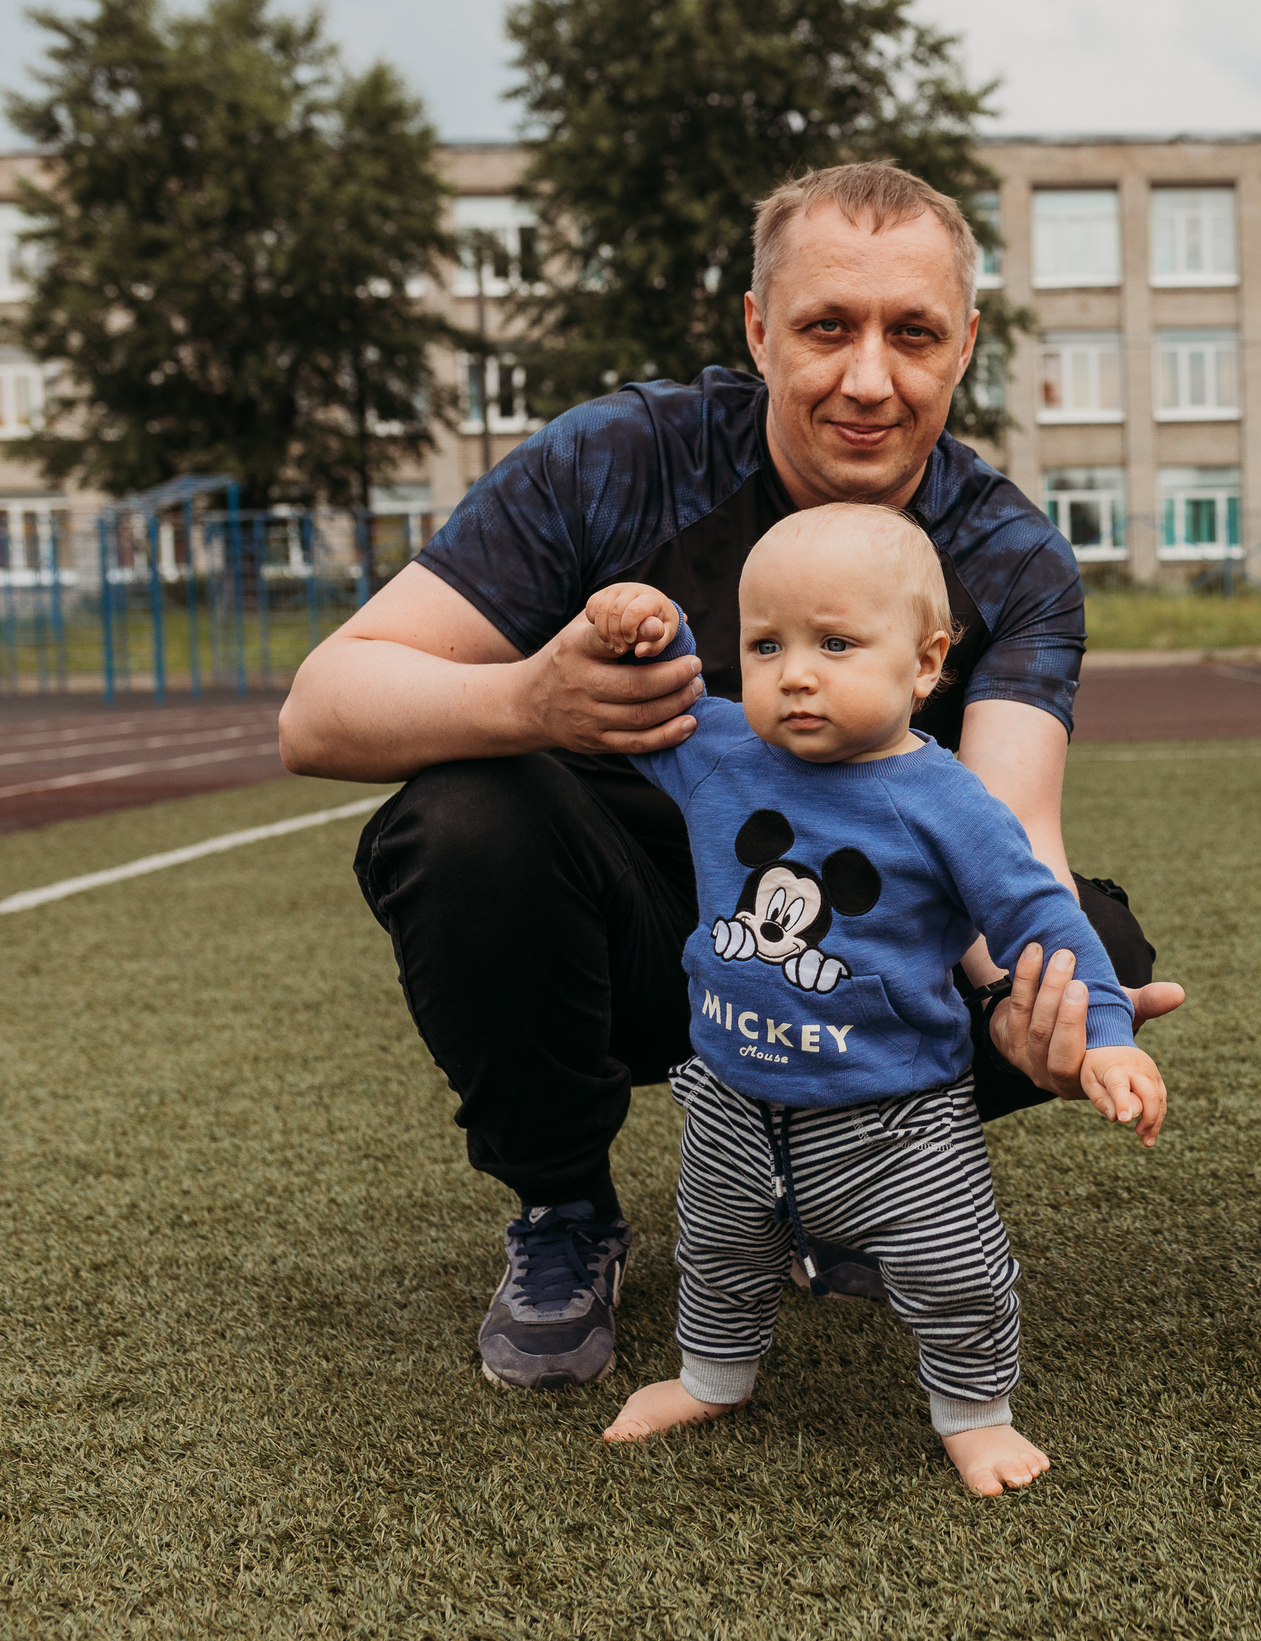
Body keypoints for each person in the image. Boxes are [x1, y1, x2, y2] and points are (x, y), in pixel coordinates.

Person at [277, 161, 1180, 1393]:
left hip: (845, 962)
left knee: (1095, 954)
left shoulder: (1010, 555)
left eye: (912, 333)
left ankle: (858, 1170)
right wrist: (528, 699)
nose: (870, 378)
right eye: (826, 327)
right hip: (630, 937)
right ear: (758, 328)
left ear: (965, 345)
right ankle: (565, 1209)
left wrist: (1046, 1006)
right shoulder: (614, 460)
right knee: (464, 813)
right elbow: (319, 706)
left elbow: (1011, 820)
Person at [577, 508, 1159, 1495]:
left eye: (836, 642)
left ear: (926, 661)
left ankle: (974, 1410)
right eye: (767, 644)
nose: (796, 671)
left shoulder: (948, 800)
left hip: (899, 1118)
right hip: (731, 1098)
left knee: (956, 1273)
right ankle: (713, 1376)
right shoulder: (719, 750)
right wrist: (649, 618)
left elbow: (1039, 920)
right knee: (717, 1250)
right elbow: (654, 684)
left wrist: (1103, 1034)